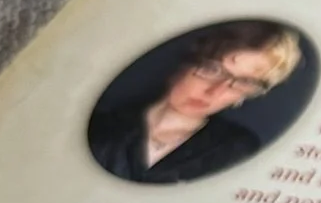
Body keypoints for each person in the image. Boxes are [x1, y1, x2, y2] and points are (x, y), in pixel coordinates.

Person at [87, 20, 304, 185]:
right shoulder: (102, 124)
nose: (215, 90)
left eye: (243, 83)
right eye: (212, 69)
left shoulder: (235, 149)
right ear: (184, 63)